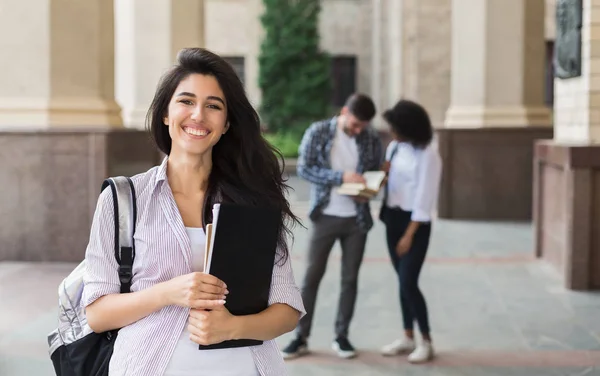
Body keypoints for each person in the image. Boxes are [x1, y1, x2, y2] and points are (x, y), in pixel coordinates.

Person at [82, 48, 305, 376]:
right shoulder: (123, 198)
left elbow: (287, 311)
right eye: (186, 101)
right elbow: (97, 314)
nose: (198, 115)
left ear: (226, 123)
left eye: (213, 106)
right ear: (165, 114)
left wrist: (231, 328)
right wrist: (167, 293)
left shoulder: (253, 199)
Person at [281, 93, 383, 360]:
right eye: (356, 124)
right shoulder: (319, 132)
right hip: (325, 215)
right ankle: (300, 337)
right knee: (311, 278)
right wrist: (340, 177)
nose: (359, 130)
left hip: (357, 219)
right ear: (345, 111)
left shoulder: (370, 137)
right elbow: (305, 168)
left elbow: (374, 173)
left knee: (350, 279)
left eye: (364, 126)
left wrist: (368, 189)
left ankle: (342, 336)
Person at [378, 99, 442, 363]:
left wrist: (408, 235)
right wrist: (382, 175)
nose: (391, 131)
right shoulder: (394, 148)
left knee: (408, 282)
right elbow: (390, 185)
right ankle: (407, 336)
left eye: (395, 127)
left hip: (414, 225)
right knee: (401, 282)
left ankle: (426, 341)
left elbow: (424, 199)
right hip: (392, 219)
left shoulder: (428, 153)